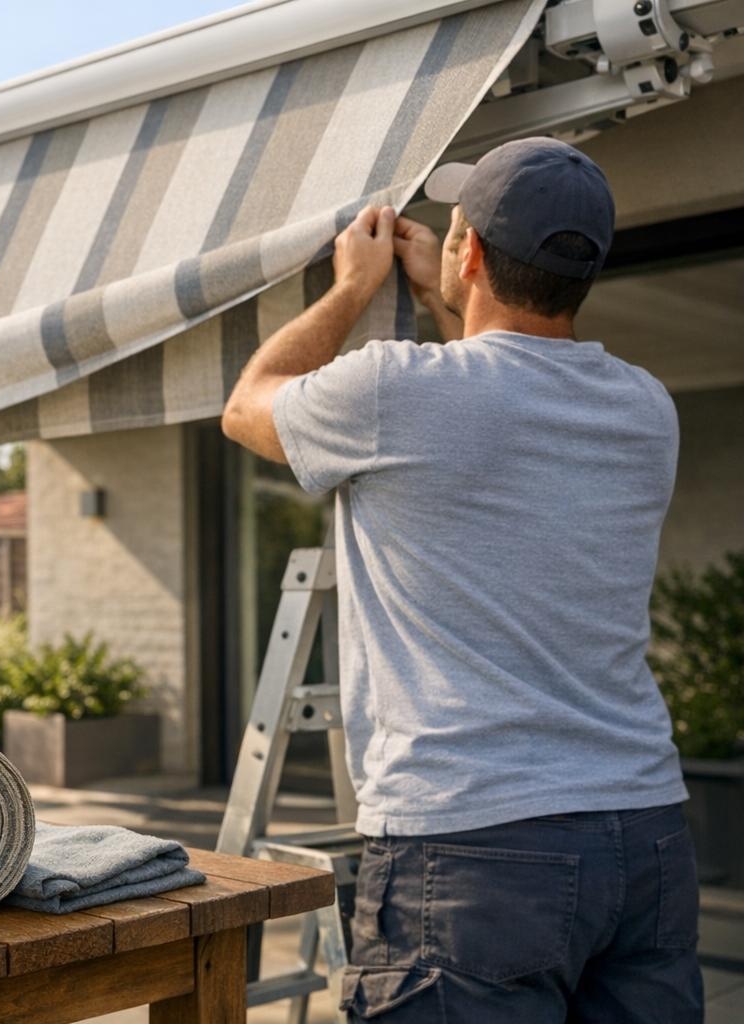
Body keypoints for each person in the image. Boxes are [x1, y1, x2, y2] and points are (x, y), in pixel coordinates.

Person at [219, 137, 702, 1022]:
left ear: (469, 251)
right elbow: (499, 404)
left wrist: (353, 286)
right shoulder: (643, 408)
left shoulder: (392, 393)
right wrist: (449, 294)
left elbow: (248, 405)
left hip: (472, 847)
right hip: (645, 833)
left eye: (456, 230)